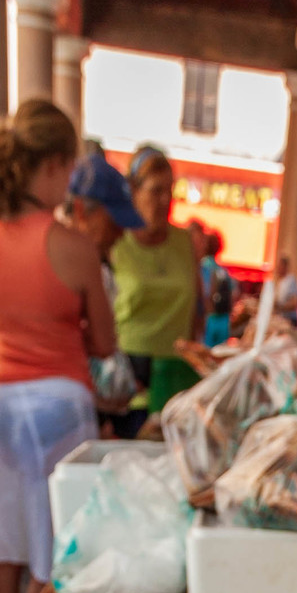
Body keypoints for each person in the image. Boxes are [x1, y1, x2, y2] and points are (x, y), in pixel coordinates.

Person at [0, 98, 115, 593]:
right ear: (50, 166)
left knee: (5, 545)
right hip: (60, 398)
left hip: (2, 396)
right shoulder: (70, 245)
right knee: (55, 543)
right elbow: (104, 341)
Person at [109, 146, 201, 418]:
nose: (164, 200)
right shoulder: (116, 242)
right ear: (134, 192)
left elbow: (198, 306)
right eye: (155, 191)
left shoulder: (184, 242)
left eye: (170, 191)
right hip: (128, 374)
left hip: (177, 373)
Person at [200, 230, 233, 347]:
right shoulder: (224, 271)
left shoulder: (202, 267)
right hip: (223, 319)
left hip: (208, 318)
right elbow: (233, 294)